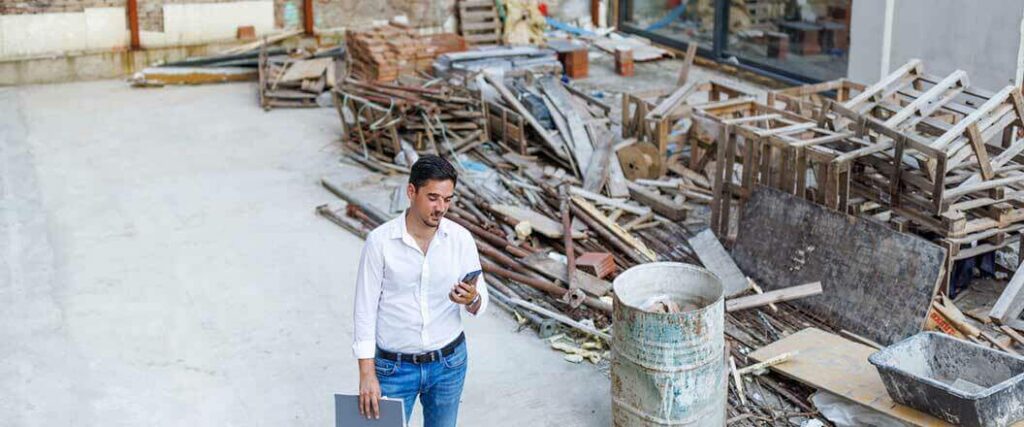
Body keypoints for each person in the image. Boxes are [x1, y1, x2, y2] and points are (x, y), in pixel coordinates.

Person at [353, 155, 489, 427]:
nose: (441, 208)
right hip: (393, 369)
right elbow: (364, 311)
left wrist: (472, 298)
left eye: (448, 200)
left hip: (449, 364)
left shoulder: (459, 239)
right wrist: (366, 373)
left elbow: (480, 299)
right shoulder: (380, 243)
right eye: (433, 198)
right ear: (411, 191)